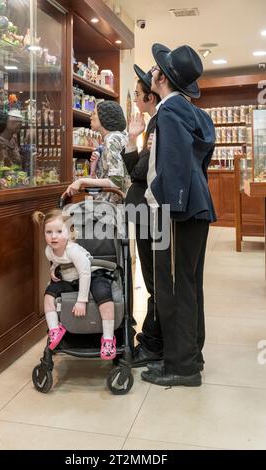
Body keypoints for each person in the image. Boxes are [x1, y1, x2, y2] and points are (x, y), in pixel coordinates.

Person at [141, 44, 216, 387]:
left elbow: (170, 167)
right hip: (197, 207)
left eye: (157, 69)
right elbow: (200, 162)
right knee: (189, 283)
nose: (153, 72)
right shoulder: (196, 114)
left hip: (175, 213)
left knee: (171, 286)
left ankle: (181, 366)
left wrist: (162, 206)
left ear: (163, 78)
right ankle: (191, 354)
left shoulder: (169, 114)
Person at [33, 209, 117, 359]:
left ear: (70, 233)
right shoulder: (49, 251)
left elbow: (85, 273)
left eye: (59, 231)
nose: (53, 236)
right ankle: (54, 330)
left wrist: (81, 300)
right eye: (49, 232)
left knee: (104, 296)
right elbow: (56, 261)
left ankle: (108, 338)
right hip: (70, 279)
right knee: (48, 294)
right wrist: (53, 269)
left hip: (92, 275)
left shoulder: (73, 250)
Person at [122, 65, 163, 365]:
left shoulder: (159, 124)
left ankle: (153, 342)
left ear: (149, 96)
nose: (135, 100)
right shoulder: (152, 125)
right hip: (144, 212)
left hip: (150, 212)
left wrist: (131, 141)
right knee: (150, 276)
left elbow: (139, 173)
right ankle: (152, 337)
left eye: (137, 95)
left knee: (153, 277)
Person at [66, 100, 130, 204]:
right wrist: (93, 169)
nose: (90, 116)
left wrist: (81, 181)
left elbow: (116, 181)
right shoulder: (119, 137)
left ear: (105, 117)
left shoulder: (111, 140)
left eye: (94, 113)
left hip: (113, 208)